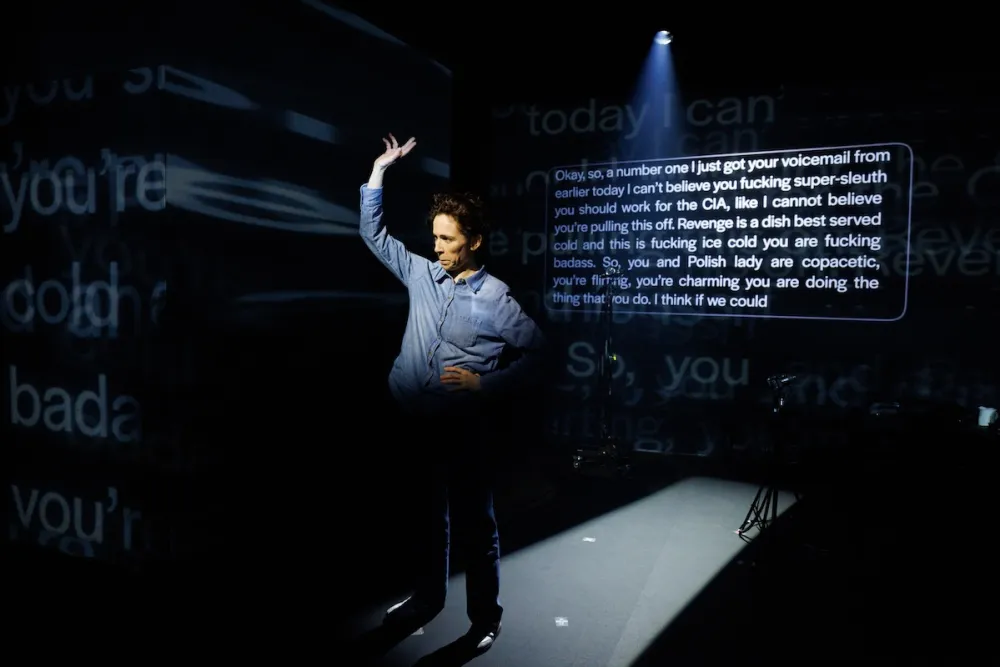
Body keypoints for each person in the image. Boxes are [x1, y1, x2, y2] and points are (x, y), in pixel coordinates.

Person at [359, 134, 545, 652]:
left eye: (448, 240)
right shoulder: (422, 274)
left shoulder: (495, 299)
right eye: (435, 237)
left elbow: (540, 354)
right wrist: (379, 173)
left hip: (461, 428)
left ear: (475, 241)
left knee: (475, 528)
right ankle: (426, 600)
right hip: (412, 420)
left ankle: (485, 619)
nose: (437, 248)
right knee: (425, 518)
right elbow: (373, 234)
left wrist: (486, 383)